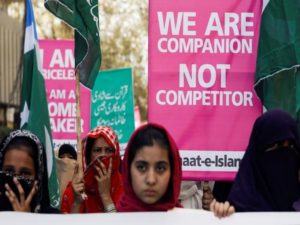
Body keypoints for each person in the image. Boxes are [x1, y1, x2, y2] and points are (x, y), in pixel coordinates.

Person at [211, 109, 300, 216]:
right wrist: (221, 216)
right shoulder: (237, 209)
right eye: (277, 145)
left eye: (291, 146)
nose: (286, 155)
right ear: (258, 151)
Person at [117, 123, 182, 211]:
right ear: (128, 169)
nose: (151, 180)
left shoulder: (185, 220)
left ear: (173, 172)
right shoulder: (114, 221)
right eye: (141, 167)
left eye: (160, 168)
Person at [61, 126, 123, 213]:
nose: (103, 155)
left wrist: (105, 196)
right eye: (97, 150)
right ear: (88, 156)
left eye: (109, 150)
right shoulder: (75, 189)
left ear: (116, 154)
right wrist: (77, 203)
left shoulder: (126, 188)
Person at [0, 129, 60, 213]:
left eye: (24, 173)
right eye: (9, 171)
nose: (15, 180)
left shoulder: (53, 218)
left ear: (38, 177)